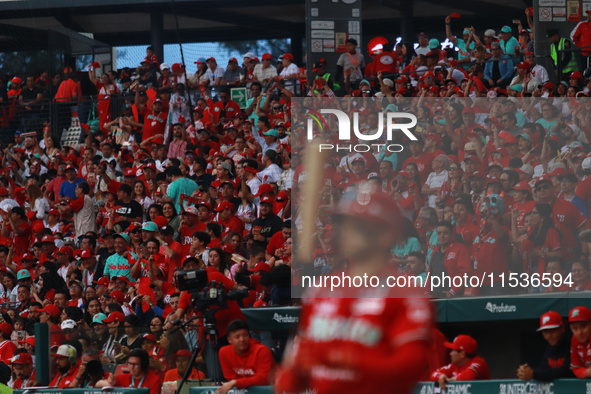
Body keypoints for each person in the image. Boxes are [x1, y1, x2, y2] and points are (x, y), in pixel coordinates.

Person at [275, 191, 433, 394]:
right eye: (345, 226)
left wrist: (343, 359)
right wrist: (291, 374)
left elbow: (409, 366)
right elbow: (297, 368)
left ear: (386, 235)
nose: (347, 233)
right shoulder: (321, 288)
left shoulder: (406, 291)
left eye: (359, 227)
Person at [218, 320, 275, 393]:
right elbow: (230, 377)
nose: (242, 339)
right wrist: (237, 382)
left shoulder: (262, 350)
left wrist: (236, 382)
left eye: (245, 335)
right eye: (237, 337)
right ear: (229, 340)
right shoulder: (224, 352)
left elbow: (264, 379)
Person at [517, 311, 573, 381]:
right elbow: (543, 369)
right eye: (545, 332)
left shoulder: (572, 343)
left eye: (552, 331)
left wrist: (533, 374)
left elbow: (567, 372)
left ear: (562, 328)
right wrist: (525, 372)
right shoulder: (550, 347)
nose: (549, 336)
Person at [97, 348, 162, 393]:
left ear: (144, 364)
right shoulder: (124, 377)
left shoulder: (154, 380)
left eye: (135, 364)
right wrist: (110, 383)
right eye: (129, 363)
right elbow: (98, 384)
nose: (131, 367)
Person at [569, 305, 591, 378]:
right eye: (575, 328)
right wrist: (587, 372)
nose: (579, 333)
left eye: (583, 326)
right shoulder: (574, 340)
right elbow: (576, 369)